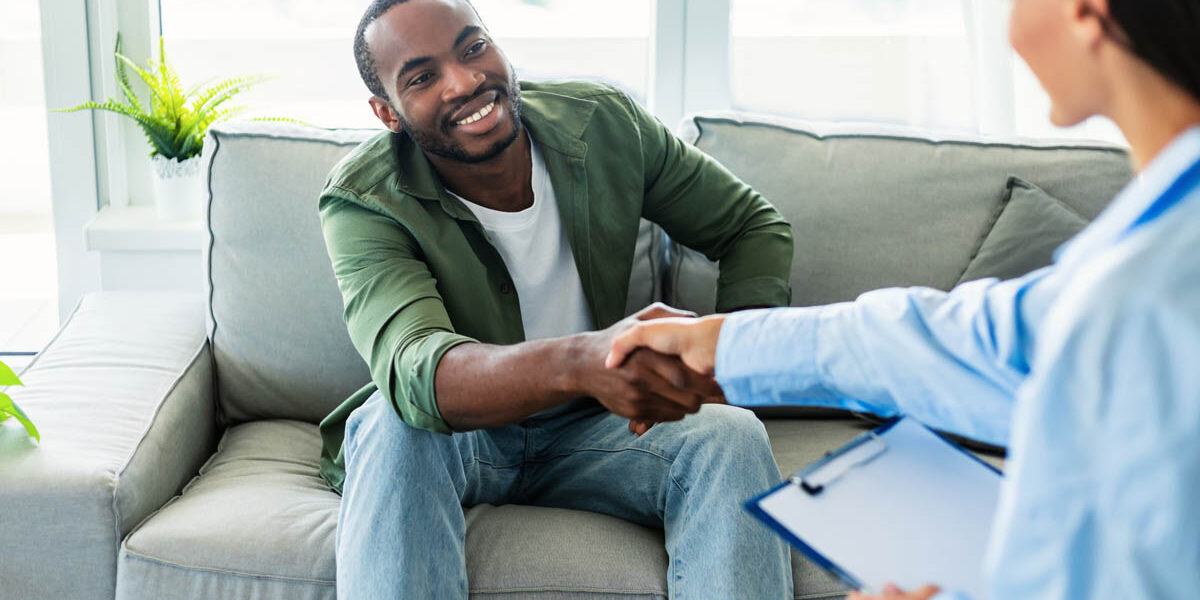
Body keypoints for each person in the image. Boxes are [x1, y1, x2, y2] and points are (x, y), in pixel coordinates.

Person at [605, 0, 1200, 598]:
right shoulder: (1146, 257)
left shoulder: (1145, 296)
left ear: (1085, 11)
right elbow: (983, 340)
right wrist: (728, 346)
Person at [317, 0, 797, 597]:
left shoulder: (603, 123)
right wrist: (582, 363)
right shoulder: (365, 199)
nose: (465, 81)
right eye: (422, 77)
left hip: (600, 432)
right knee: (393, 423)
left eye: (473, 48)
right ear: (387, 113)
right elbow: (418, 372)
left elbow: (750, 225)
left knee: (732, 437)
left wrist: (730, 360)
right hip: (460, 439)